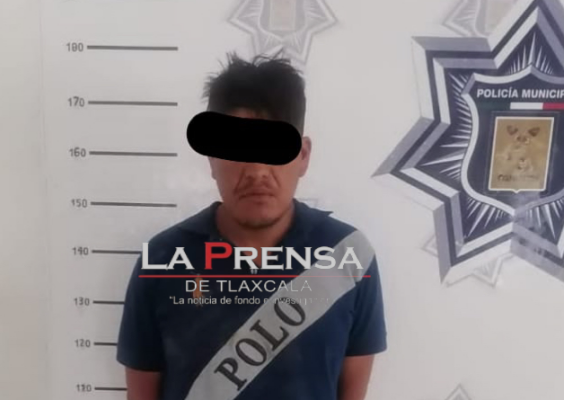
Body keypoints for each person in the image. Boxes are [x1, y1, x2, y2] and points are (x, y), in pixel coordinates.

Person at [116, 53, 387, 400]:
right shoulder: (161, 260)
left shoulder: (349, 257)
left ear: (303, 156)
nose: (257, 170)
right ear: (212, 158)